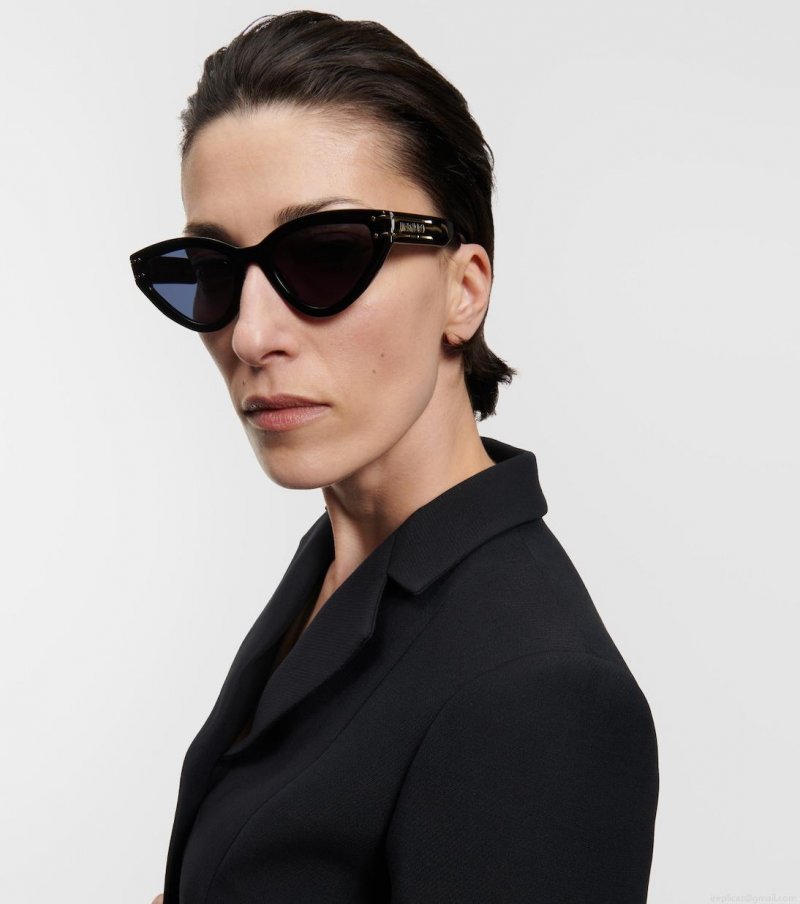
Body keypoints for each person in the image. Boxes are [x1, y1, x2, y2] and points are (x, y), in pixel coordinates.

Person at [132, 10, 659, 904]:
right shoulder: (344, 562)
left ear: (464, 289)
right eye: (213, 270)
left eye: (326, 256)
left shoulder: (538, 692)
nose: (251, 335)